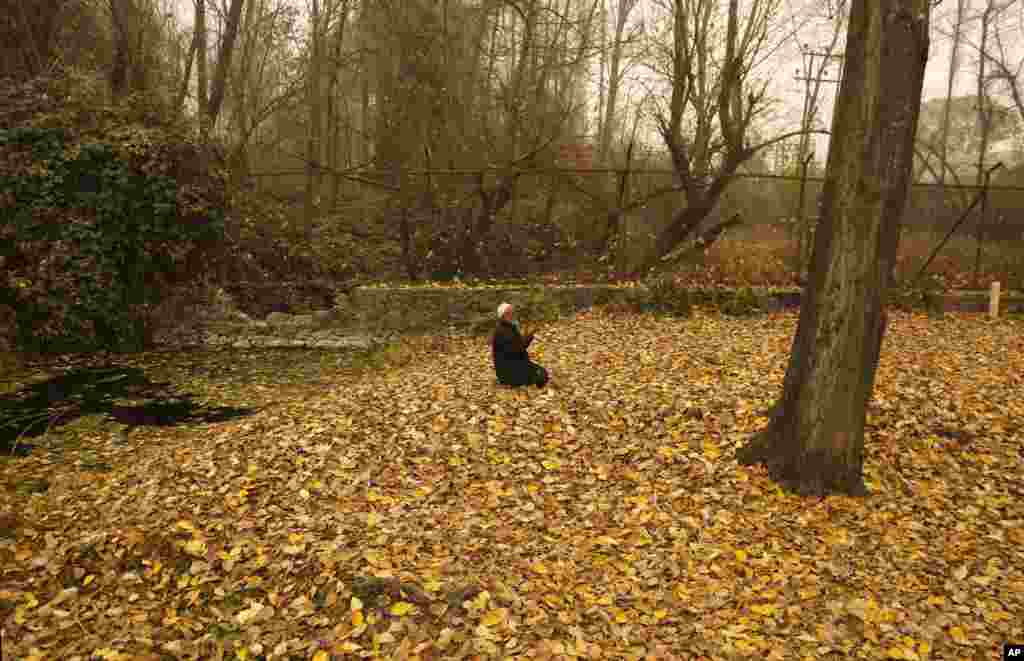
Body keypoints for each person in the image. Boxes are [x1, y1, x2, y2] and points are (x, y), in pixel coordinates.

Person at [492, 302, 549, 388]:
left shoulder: (509, 327)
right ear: (503, 316)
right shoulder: (502, 331)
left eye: (512, 312)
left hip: (516, 366)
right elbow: (517, 350)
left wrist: (528, 336)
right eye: (508, 313)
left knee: (542, 372)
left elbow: (518, 347)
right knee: (541, 376)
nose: (512, 315)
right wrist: (528, 337)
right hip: (509, 372)